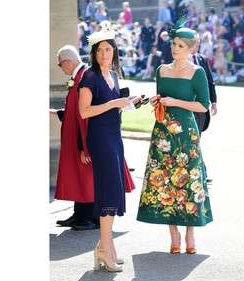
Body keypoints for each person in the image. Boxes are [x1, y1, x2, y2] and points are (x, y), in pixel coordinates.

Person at [136, 18, 213, 255]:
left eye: (180, 45)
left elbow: (204, 105)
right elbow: (161, 96)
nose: (175, 48)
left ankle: (190, 231)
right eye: (174, 44)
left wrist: (176, 102)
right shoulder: (162, 70)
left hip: (186, 135)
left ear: (192, 49)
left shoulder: (197, 72)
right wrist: (156, 100)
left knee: (189, 181)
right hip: (162, 132)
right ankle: (173, 233)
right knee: (164, 180)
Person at [78, 20, 139, 272]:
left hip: (114, 135)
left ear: (114, 52)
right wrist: (113, 104)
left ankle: (107, 246)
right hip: (100, 138)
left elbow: (115, 106)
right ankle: (104, 248)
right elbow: (84, 112)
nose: (105, 54)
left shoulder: (113, 75)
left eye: (109, 50)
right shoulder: (89, 76)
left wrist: (131, 102)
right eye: (100, 50)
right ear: (94, 53)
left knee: (113, 189)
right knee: (108, 188)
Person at [51, 45, 100, 231]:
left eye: (60, 64)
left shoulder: (85, 78)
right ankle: (79, 215)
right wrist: (58, 113)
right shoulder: (78, 77)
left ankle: (92, 218)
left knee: (87, 178)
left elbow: (85, 116)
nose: (61, 68)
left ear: (68, 62)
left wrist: (84, 147)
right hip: (76, 138)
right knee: (79, 177)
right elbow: (75, 111)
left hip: (83, 140)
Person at [191, 32, 218, 183]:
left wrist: (214, 102)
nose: (196, 46)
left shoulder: (202, 59)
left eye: (198, 43)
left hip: (201, 108)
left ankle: (200, 171)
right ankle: (201, 172)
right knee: (193, 140)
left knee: (197, 139)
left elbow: (210, 82)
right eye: (194, 43)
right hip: (187, 107)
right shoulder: (179, 61)